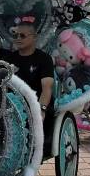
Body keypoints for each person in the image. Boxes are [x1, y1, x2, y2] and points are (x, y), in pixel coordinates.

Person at [9, 16, 56, 150]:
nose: (18, 38)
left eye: (22, 35)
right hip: (13, 104)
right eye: (15, 35)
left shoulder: (44, 59)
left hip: (36, 103)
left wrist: (40, 110)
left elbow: (47, 87)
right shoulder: (9, 59)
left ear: (34, 37)